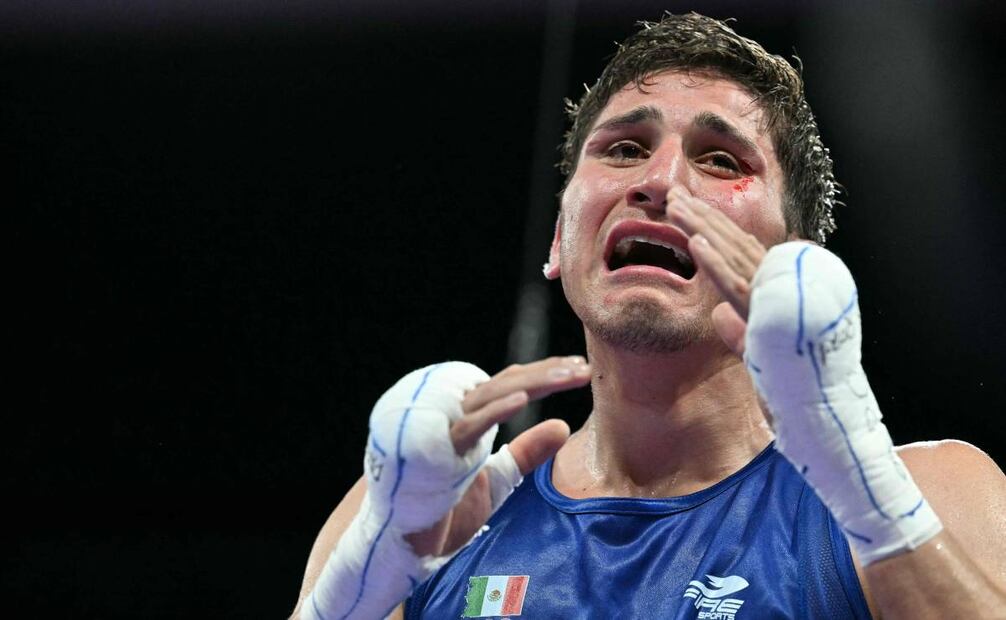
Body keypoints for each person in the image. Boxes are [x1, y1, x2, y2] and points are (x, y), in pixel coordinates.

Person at [291, 12, 1006, 619]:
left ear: (791, 263)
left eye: (722, 160)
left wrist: (874, 504)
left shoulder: (940, 495)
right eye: (625, 150)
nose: (659, 183)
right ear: (558, 239)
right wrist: (353, 596)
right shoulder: (415, 510)